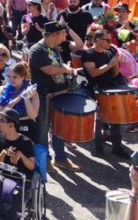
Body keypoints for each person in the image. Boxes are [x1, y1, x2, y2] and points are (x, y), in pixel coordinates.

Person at [28, 21, 80, 178]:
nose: (65, 35)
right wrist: (66, 70)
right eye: (63, 32)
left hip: (58, 93)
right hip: (43, 96)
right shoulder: (37, 49)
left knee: (59, 127)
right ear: (54, 34)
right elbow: (49, 69)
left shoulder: (54, 48)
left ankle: (61, 158)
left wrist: (65, 71)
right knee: (43, 130)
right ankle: (45, 160)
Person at [81, 28, 131, 158]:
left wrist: (116, 64)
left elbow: (114, 74)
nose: (110, 42)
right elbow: (93, 73)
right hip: (96, 89)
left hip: (111, 89)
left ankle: (117, 148)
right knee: (97, 121)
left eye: (110, 39)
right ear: (98, 40)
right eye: (107, 40)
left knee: (116, 119)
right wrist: (110, 64)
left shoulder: (109, 53)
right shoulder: (88, 54)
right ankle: (98, 148)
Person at [0, 108, 36, 220]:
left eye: (1, 120)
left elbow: (31, 166)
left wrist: (21, 156)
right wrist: (3, 154)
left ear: (11, 125)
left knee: (17, 190)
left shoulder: (26, 142)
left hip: (21, 177)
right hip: (3, 174)